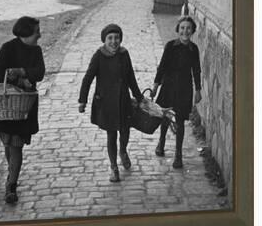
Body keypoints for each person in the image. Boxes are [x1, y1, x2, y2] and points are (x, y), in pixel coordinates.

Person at [0, 17, 45, 204]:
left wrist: (20, 71)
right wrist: (21, 79)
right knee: (8, 145)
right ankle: (11, 175)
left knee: (16, 146)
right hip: (6, 104)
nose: (39, 35)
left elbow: (40, 73)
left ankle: (11, 184)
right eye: (36, 31)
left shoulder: (36, 51)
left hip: (23, 107)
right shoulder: (8, 48)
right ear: (25, 33)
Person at [78, 24, 143, 182]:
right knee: (111, 134)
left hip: (123, 100)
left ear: (120, 39)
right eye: (110, 38)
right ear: (104, 40)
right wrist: (82, 100)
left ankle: (123, 151)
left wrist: (139, 97)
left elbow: (131, 77)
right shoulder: (98, 56)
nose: (114, 41)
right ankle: (114, 167)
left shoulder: (124, 54)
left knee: (125, 131)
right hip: (106, 103)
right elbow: (88, 78)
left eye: (117, 38)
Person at [150, 16, 202, 169]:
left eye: (188, 28)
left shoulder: (194, 49)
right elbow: (162, 67)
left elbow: (196, 71)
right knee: (165, 116)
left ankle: (178, 155)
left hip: (184, 89)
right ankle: (161, 142)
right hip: (168, 86)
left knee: (180, 121)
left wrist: (198, 90)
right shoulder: (170, 46)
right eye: (182, 28)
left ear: (192, 31)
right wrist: (155, 86)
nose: (185, 31)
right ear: (178, 30)